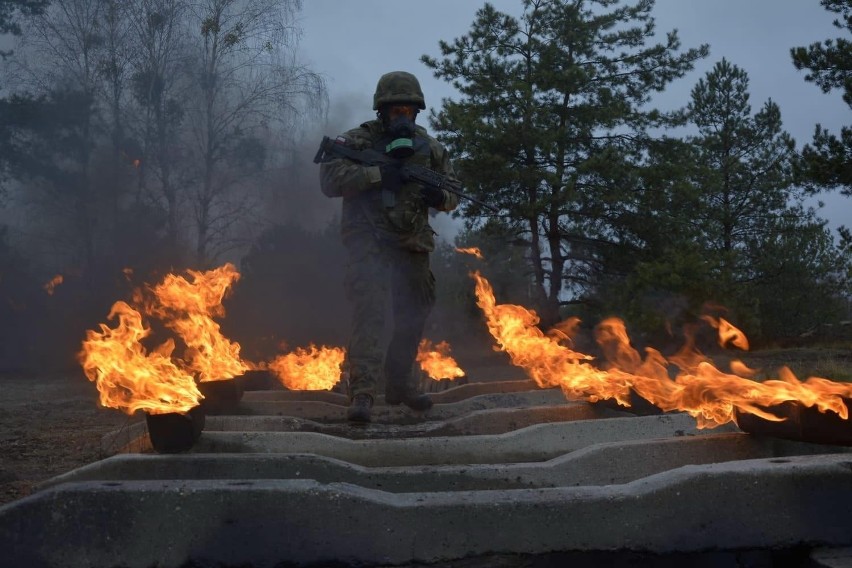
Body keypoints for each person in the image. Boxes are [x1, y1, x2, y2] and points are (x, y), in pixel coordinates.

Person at [319, 71, 459, 423]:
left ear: (417, 112)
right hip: (370, 242)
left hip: (411, 244)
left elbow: (454, 192)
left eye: (407, 110)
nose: (401, 117)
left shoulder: (431, 149)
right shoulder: (358, 141)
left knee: (414, 316)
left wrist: (438, 196)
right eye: (394, 110)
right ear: (382, 111)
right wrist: (378, 175)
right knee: (370, 315)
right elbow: (329, 179)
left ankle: (399, 384)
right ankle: (363, 393)